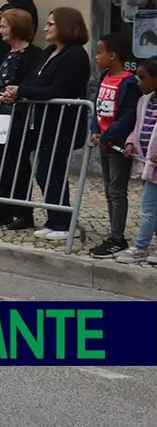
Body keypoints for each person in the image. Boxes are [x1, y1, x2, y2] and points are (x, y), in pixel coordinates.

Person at [2, 7, 93, 240]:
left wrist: (23, 91)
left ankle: (63, 223)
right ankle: (56, 219)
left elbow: (57, 89)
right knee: (46, 172)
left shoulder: (75, 55)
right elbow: (34, 80)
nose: (46, 27)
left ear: (65, 25)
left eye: (51, 23)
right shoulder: (50, 51)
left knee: (50, 171)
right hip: (44, 122)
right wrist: (18, 90)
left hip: (64, 123)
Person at [0, 9, 42, 230]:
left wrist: (17, 93)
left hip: (19, 118)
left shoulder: (33, 55)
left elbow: (30, 84)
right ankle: (2, 211)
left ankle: (24, 213)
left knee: (19, 165)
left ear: (16, 27)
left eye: (4, 26)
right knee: (0, 163)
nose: (0, 30)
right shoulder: (8, 53)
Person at [88, 32, 140, 258]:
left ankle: (118, 238)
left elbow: (129, 115)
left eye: (99, 52)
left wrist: (109, 135)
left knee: (117, 192)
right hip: (104, 142)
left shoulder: (128, 82)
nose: (96, 57)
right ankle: (113, 233)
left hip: (117, 145)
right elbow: (97, 107)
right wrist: (95, 131)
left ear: (112, 55)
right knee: (109, 191)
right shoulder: (104, 77)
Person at [117, 60, 157, 264]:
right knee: (154, 207)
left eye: (143, 77)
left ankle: (141, 246)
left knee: (148, 208)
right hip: (146, 164)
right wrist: (131, 142)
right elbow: (138, 127)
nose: (138, 81)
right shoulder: (145, 101)